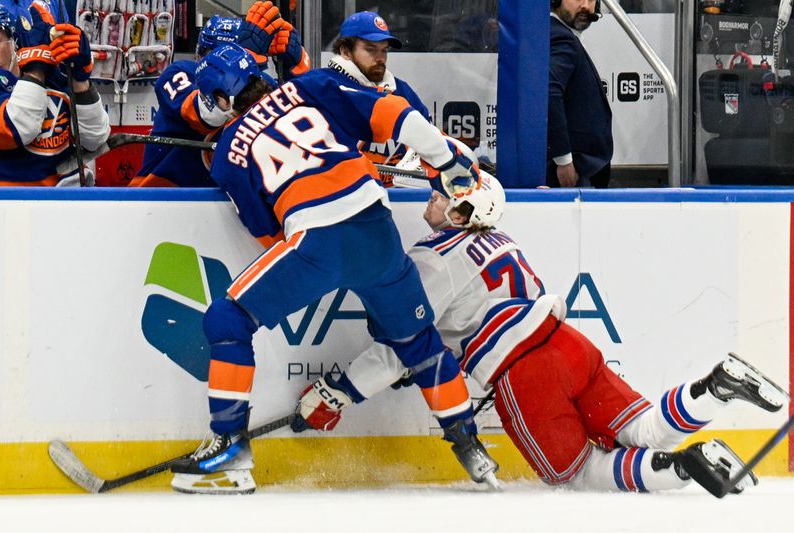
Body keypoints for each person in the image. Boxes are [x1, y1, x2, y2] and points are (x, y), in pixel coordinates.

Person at [292, 172, 789, 495]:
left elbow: (400, 346)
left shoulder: (433, 261)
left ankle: (681, 468)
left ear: (465, 215)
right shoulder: (501, 240)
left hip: (524, 373)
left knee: (573, 472)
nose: (436, 196)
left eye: (449, 196)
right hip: (570, 345)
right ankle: (713, 389)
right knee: (641, 429)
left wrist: (338, 392)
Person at [168, 41, 490, 495]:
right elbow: (394, 113)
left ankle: (229, 452)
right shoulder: (311, 84)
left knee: (227, 318)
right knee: (420, 343)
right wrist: (445, 160)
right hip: (378, 230)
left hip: (316, 241)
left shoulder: (227, 154)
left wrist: (316, 261)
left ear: (222, 99)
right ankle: (471, 449)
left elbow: (268, 233)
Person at [131, 1, 307, 187]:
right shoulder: (179, 73)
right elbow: (207, 114)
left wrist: (296, 73)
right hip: (160, 198)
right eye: (219, 54)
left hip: (229, 200)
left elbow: (296, 131)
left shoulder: (262, 83)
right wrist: (247, 60)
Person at [0, 2, 109, 185]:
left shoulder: (54, 75)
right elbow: (17, 128)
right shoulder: (37, 70)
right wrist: (35, 69)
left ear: (14, 40)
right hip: (9, 207)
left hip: (70, 202)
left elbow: (94, 138)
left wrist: (80, 80)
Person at [328, 11, 432, 187]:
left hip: (400, 199)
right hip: (342, 200)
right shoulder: (327, 92)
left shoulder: (402, 92)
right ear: (345, 51)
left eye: (384, 50)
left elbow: (429, 145)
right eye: (370, 49)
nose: (380, 58)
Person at [547, 0, 612, 188]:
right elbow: (550, 94)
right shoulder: (561, 37)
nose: (585, 5)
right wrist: (564, 161)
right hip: (572, 173)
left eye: (591, 0)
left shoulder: (564, 36)